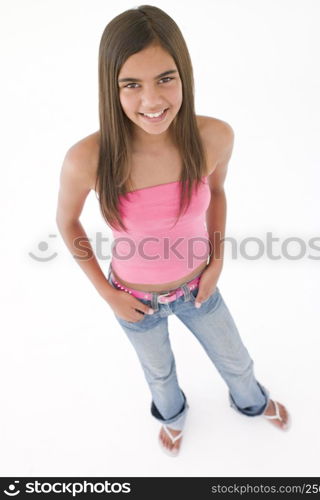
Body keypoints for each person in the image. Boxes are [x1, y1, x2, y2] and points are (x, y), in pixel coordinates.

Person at [56, 5, 290, 457]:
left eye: (165, 78)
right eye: (131, 84)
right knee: (159, 376)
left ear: (185, 73)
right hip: (133, 299)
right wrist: (107, 293)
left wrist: (217, 260)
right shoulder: (86, 158)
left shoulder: (214, 137)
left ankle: (252, 403)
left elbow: (217, 195)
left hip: (199, 288)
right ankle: (173, 418)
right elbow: (66, 222)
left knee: (236, 359)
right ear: (111, 87)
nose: (152, 100)